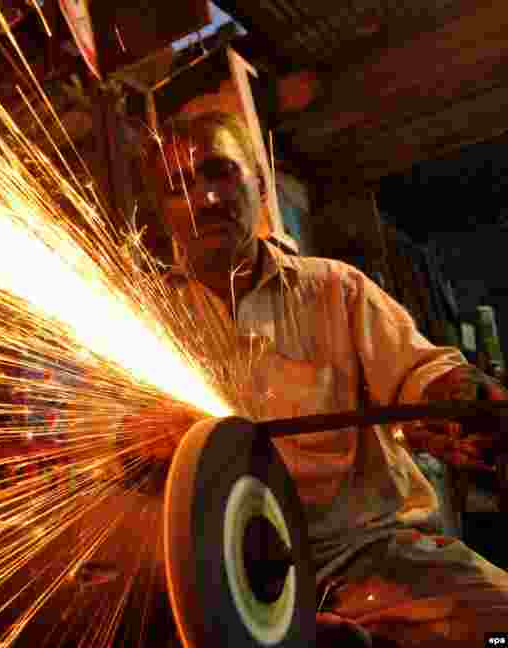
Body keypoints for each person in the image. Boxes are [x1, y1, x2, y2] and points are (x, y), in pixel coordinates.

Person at [138, 110, 508, 646]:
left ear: (259, 184)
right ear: (163, 213)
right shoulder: (149, 321)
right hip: (223, 578)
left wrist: (454, 398)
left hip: (367, 557)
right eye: (180, 187)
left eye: (221, 173)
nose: (206, 199)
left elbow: (421, 374)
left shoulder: (336, 290)